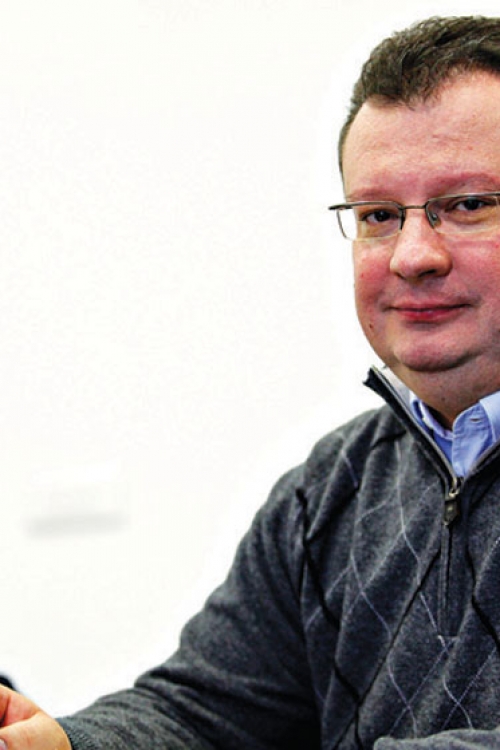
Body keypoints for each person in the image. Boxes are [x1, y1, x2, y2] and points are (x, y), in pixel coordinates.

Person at [4, 13, 500, 750]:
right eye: (378, 215)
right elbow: (204, 713)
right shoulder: (334, 487)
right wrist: (65, 744)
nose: (412, 255)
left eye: (467, 206)